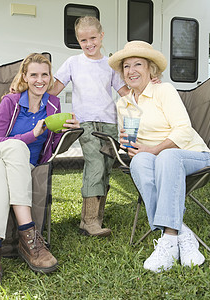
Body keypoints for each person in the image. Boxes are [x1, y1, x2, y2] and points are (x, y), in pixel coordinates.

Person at [0, 53, 79, 292]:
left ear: (50, 78)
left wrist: (67, 130)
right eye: (34, 75)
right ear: (25, 78)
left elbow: (53, 144)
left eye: (45, 74)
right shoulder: (11, 101)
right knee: (13, 149)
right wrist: (32, 135)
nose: (40, 80)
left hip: (17, 168)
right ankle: (29, 236)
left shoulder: (53, 105)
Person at [108, 41, 210, 272]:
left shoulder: (163, 90)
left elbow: (184, 130)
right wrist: (129, 144)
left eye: (138, 64)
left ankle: (168, 239)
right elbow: (130, 143)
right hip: (156, 160)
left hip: (194, 155)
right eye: (127, 66)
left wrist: (154, 149)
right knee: (139, 161)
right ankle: (183, 235)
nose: (132, 70)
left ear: (150, 69)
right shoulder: (123, 103)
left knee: (166, 157)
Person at [48, 16, 130, 237]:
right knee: (95, 165)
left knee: (105, 168)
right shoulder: (73, 63)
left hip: (110, 123)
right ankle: (90, 221)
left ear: (101, 36)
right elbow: (53, 89)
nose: (89, 43)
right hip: (86, 123)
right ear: (78, 40)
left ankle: (94, 218)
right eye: (83, 40)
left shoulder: (110, 64)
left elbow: (124, 93)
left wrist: (147, 90)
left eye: (93, 38)